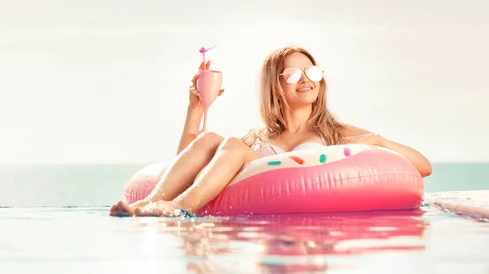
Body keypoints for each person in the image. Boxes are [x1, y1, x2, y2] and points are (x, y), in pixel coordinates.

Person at [109, 47, 432, 217]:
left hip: (303, 228)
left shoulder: (336, 132)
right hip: (256, 220)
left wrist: (377, 141)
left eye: (312, 72)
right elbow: (186, 162)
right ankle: (152, 203)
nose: (305, 79)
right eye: (292, 74)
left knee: (230, 144)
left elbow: (422, 166)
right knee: (211, 139)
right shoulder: (257, 138)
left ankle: (182, 207)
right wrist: (196, 108)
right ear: (275, 85)